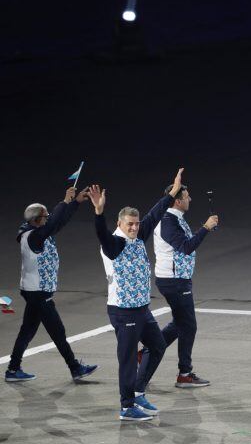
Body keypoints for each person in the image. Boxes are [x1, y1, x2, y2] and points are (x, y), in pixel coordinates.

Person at [87, 168, 183, 421]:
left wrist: (172, 193)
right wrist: (99, 212)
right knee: (128, 359)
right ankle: (126, 406)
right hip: (123, 310)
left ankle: (138, 391)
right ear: (119, 224)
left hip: (141, 308)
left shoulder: (138, 235)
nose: (134, 227)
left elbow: (154, 214)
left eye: (136, 223)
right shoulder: (114, 244)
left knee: (158, 345)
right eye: (129, 223)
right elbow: (101, 234)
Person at [6, 186, 98, 383]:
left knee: (28, 330)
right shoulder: (34, 237)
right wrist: (65, 201)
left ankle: (13, 369)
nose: (48, 218)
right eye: (45, 216)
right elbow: (54, 222)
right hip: (39, 293)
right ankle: (75, 368)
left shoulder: (35, 232)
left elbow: (58, 223)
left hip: (33, 291)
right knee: (58, 332)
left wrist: (75, 203)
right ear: (37, 220)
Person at [137, 183, 219, 388]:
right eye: (187, 196)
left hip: (177, 278)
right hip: (173, 281)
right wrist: (206, 228)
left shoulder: (173, 218)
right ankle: (184, 373)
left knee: (180, 322)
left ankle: (144, 353)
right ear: (177, 200)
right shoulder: (167, 221)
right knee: (188, 325)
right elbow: (186, 247)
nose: (190, 199)